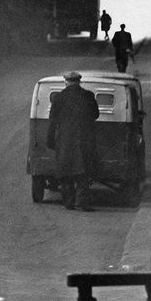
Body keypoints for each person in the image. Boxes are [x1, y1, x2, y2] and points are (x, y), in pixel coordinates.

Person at [46, 71, 99, 211]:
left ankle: (68, 202)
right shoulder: (88, 96)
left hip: (65, 140)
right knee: (83, 171)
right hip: (84, 139)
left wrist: (50, 140)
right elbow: (95, 114)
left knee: (66, 171)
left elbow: (52, 121)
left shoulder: (58, 98)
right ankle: (81, 201)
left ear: (66, 82)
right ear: (79, 82)